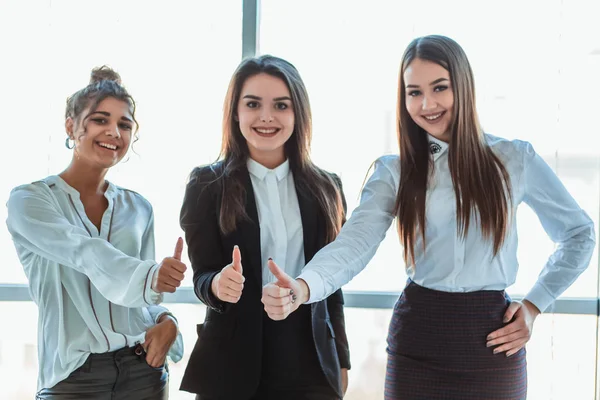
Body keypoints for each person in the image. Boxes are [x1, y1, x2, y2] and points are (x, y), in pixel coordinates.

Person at [261, 35, 596, 400]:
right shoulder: (395, 170)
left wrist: (534, 305)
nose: (427, 104)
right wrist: (303, 287)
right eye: (414, 92)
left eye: (439, 88)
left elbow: (579, 234)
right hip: (419, 336)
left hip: (494, 340)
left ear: (463, 87)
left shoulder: (513, 159)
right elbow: (354, 244)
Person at [6, 66, 186, 399]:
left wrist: (167, 318)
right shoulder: (30, 201)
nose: (114, 132)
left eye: (124, 124)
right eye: (100, 120)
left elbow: (139, 299)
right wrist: (151, 276)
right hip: (73, 378)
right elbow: (85, 252)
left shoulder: (139, 208)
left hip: (142, 370)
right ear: (71, 126)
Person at [179, 55, 351, 400]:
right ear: (236, 113)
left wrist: (342, 360)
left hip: (310, 363)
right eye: (253, 104)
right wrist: (217, 284)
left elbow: (331, 283)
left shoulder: (326, 187)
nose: (266, 116)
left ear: (297, 113)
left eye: (281, 105)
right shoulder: (207, 184)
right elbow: (202, 276)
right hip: (231, 366)